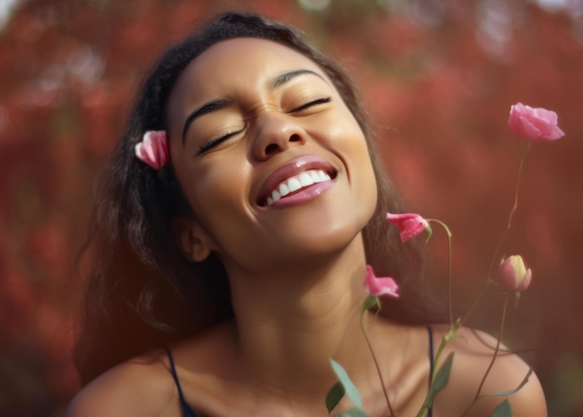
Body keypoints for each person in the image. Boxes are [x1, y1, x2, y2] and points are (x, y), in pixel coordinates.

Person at [65, 11, 547, 417]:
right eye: (219, 135)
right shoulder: (126, 409)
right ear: (190, 233)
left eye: (309, 103)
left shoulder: (487, 390)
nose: (278, 130)